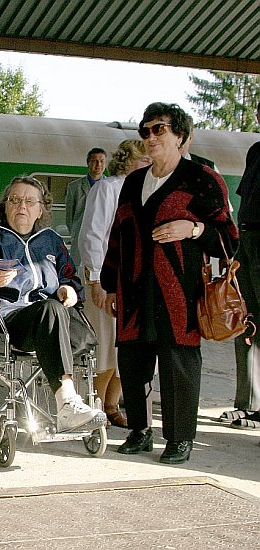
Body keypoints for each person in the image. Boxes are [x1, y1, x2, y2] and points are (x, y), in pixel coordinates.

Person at [101, 103, 238, 464]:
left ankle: (179, 439)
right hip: (132, 288)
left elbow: (229, 236)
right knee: (132, 359)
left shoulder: (202, 178)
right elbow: (118, 234)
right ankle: (139, 431)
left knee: (179, 361)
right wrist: (108, 283)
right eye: (144, 131)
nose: (149, 138)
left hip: (178, 289)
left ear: (181, 136)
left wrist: (194, 229)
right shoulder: (133, 181)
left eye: (158, 129)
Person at [0, 176, 105, 433]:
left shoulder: (51, 241)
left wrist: (68, 288)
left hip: (47, 324)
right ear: (5, 206)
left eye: (29, 201)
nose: (21, 206)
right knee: (51, 309)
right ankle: (67, 402)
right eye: (14, 200)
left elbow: (69, 276)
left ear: (41, 209)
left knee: (59, 310)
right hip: (2, 321)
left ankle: (71, 403)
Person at [78, 139, 152, 429]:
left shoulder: (147, 190)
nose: (149, 164)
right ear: (128, 161)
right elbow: (93, 235)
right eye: (143, 160)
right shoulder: (108, 188)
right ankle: (97, 405)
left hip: (135, 282)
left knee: (128, 347)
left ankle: (113, 404)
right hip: (108, 279)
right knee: (105, 344)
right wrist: (96, 280)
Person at [221, 101, 260, 430]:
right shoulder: (256, 151)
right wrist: (236, 252)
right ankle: (246, 403)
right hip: (247, 241)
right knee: (244, 321)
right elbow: (244, 203)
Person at [65, 147, 107, 267]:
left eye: (102, 161)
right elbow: (69, 217)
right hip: (79, 236)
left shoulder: (110, 186)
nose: (98, 165)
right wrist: (75, 232)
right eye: (94, 161)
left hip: (102, 237)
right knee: (78, 270)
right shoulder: (74, 187)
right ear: (88, 163)